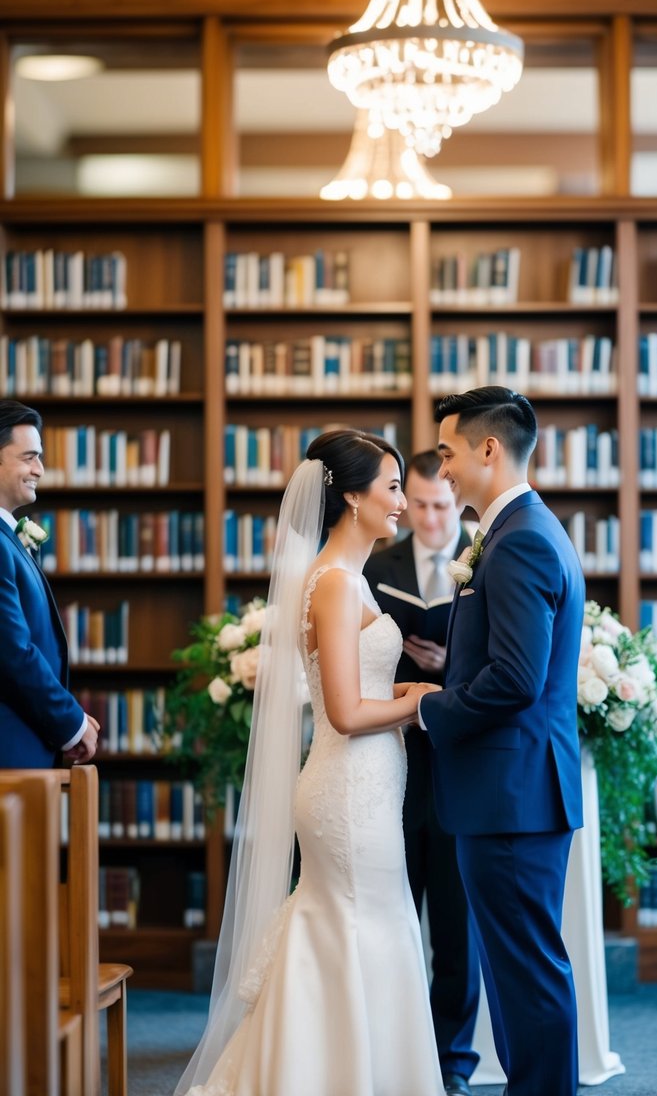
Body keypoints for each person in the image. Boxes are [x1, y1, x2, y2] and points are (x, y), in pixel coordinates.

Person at [177, 429, 444, 1096]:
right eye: (389, 489)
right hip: (347, 791)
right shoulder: (330, 584)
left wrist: (405, 690)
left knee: (366, 926)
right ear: (351, 497)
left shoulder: (348, 578)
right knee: (356, 925)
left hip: (371, 785)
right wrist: (418, 707)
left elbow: (361, 688)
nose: (400, 504)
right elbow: (347, 714)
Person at [419, 386, 585, 1096]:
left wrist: (431, 709)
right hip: (508, 793)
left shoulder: (517, 541)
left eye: (448, 453)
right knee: (520, 973)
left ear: (489, 449)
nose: (442, 470)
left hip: (511, 797)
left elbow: (515, 678)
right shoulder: (515, 529)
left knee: (526, 977)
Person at [365, 450, 480, 1096]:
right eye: (421, 505)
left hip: (459, 763)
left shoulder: (487, 557)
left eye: (443, 505)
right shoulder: (376, 562)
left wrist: (449, 661)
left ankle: (452, 1063)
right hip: (392, 761)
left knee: (456, 927)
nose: (433, 519)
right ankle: (391, 1053)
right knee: (392, 916)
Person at [0, 399, 98, 768]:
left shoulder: (8, 539)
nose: (39, 469)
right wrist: (72, 724)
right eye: (28, 457)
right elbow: (12, 653)